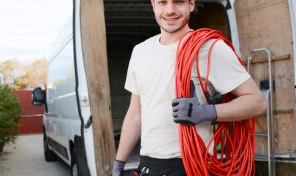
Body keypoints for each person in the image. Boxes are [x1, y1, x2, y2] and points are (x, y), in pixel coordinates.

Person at [112, 0, 266, 175]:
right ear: (153, 4)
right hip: (149, 165)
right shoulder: (140, 52)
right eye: (162, 2)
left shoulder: (209, 48)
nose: (170, 10)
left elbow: (257, 102)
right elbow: (134, 115)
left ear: (191, 4)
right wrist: (119, 163)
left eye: (178, 2)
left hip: (192, 165)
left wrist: (206, 112)